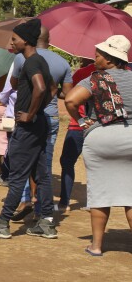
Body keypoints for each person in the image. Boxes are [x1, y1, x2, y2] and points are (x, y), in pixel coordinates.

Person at [0, 18, 57, 239]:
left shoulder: (30, 62)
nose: (11, 43)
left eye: (15, 39)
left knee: (18, 175)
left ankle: (2, 223)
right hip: (39, 124)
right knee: (42, 175)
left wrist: (30, 113)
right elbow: (52, 87)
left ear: (27, 40)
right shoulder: (40, 61)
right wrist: (38, 110)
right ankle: (47, 223)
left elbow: (41, 87)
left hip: (28, 126)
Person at [65, 35, 132, 256]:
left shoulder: (95, 79)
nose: (95, 58)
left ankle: (96, 246)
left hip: (102, 138)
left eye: (99, 55)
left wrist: (83, 121)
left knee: (101, 193)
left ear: (111, 59)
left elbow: (71, 100)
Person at [11, 26, 73, 218]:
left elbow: (14, 84)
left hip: (28, 116)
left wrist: (31, 111)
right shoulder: (62, 62)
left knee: (22, 162)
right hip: (51, 115)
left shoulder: (24, 58)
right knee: (44, 162)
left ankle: (25, 200)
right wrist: (49, 96)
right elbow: (65, 93)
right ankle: (42, 211)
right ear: (49, 39)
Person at [57, 58, 95, 211]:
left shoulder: (82, 72)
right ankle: (94, 203)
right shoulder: (110, 75)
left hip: (78, 124)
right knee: (94, 165)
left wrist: (54, 89)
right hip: (97, 125)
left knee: (67, 162)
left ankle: (64, 203)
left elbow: (69, 95)